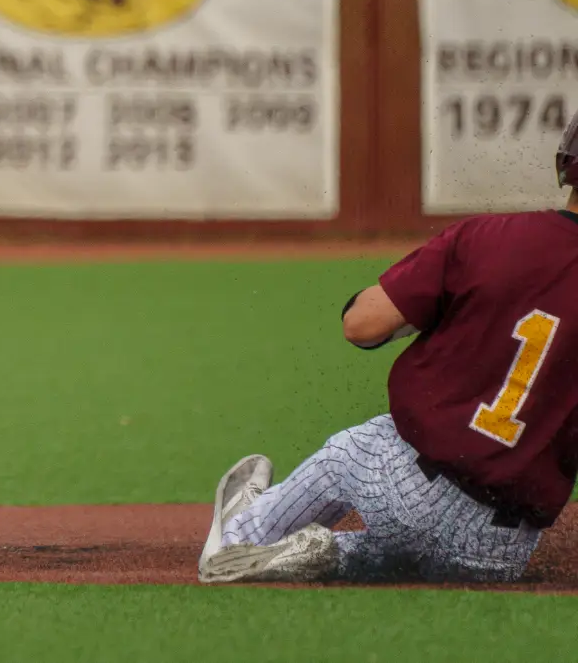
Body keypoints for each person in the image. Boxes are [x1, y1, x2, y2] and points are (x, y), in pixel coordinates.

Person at [198, 110, 578, 586]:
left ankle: (240, 536)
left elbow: (363, 326)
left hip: (408, 484)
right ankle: (328, 554)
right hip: (498, 550)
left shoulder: (490, 237)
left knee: (351, 449)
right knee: (394, 556)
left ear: (566, 160)